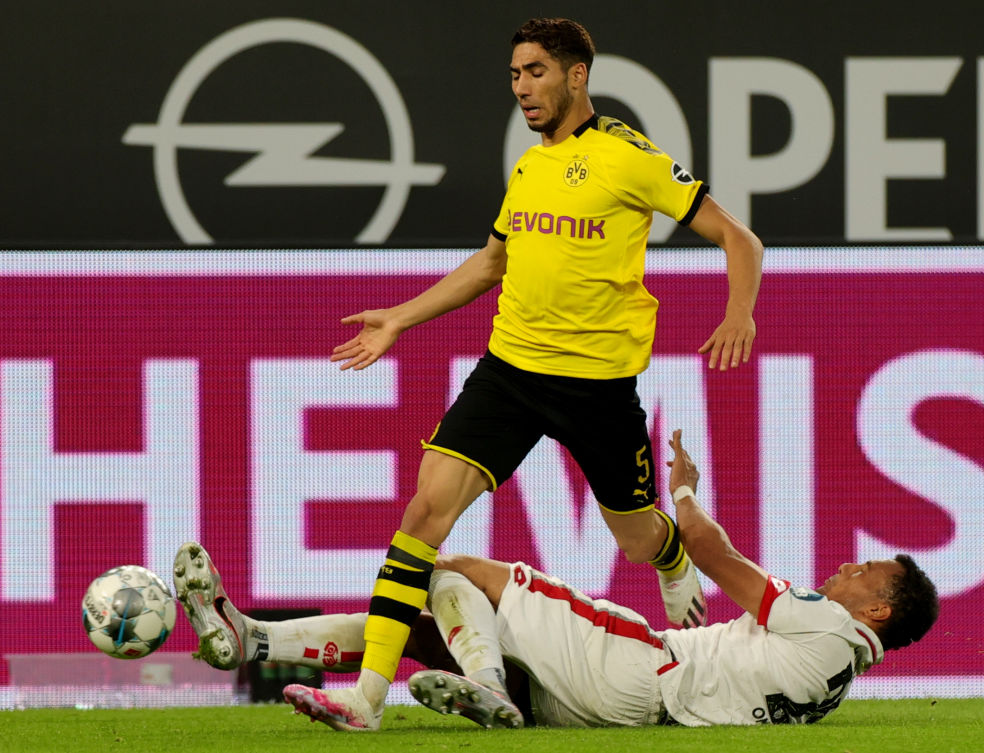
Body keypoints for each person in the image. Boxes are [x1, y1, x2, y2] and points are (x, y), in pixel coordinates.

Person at [319, 16, 763, 729]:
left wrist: (739, 312)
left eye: (535, 72)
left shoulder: (631, 156)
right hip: (510, 374)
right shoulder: (529, 167)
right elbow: (493, 263)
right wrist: (401, 316)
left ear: (576, 76)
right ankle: (366, 697)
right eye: (515, 76)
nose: (522, 89)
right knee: (423, 514)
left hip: (598, 390)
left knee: (637, 538)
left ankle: (673, 552)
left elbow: (739, 237)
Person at [172, 431, 939, 729]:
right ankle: (253, 639)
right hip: (622, 708)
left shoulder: (831, 623)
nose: (847, 565)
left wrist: (681, 491)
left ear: (879, 605)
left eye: (865, 569)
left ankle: (484, 687)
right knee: (424, 621)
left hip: (641, 666)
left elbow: (710, 551)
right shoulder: (837, 676)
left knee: (453, 570)